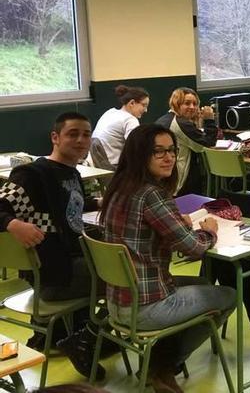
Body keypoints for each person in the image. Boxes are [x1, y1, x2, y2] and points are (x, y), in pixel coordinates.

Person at [99, 123, 235, 393]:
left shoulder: (118, 188)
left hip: (116, 302)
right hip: (146, 308)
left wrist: (176, 221)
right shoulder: (152, 195)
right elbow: (193, 249)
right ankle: (164, 366)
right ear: (140, 155)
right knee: (228, 295)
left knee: (204, 280)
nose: (169, 157)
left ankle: (158, 361)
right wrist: (209, 233)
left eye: (172, 150)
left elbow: (144, 231)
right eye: (158, 152)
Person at [0, 112, 105, 378]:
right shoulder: (33, 175)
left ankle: (88, 335)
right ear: (55, 137)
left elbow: (66, 207)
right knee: (129, 277)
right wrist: (14, 224)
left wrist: (101, 202)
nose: (81, 140)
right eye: (73, 134)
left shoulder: (70, 172)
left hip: (70, 261)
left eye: (86, 134)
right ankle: (86, 339)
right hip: (56, 273)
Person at [155, 87, 217, 195]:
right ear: (176, 104)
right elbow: (207, 144)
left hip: (162, 179)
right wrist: (209, 120)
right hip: (177, 184)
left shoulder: (164, 119)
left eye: (195, 103)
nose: (192, 107)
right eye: (187, 103)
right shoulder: (181, 124)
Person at [91, 85, 150, 168]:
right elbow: (136, 147)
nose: (146, 110)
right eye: (144, 105)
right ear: (132, 103)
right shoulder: (130, 120)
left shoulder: (110, 112)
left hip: (95, 163)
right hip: (112, 166)